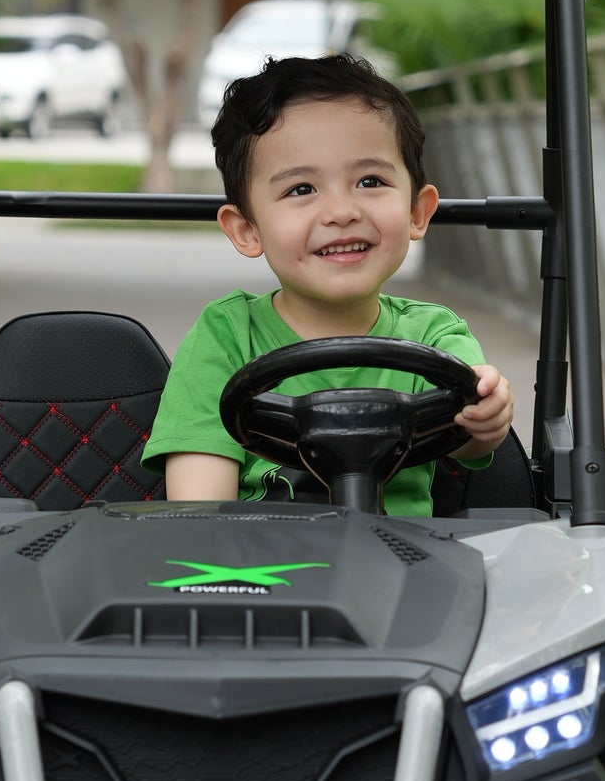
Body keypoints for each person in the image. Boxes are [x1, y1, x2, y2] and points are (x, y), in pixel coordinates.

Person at [142, 51, 514, 513]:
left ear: (417, 213)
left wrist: (486, 417)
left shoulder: (435, 336)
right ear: (247, 230)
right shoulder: (226, 335)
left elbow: (468, 442)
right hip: (260, 567)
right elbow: (199, 509)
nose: (342, 212)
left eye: (371, 181)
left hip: (400, 564)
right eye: (301, 189)